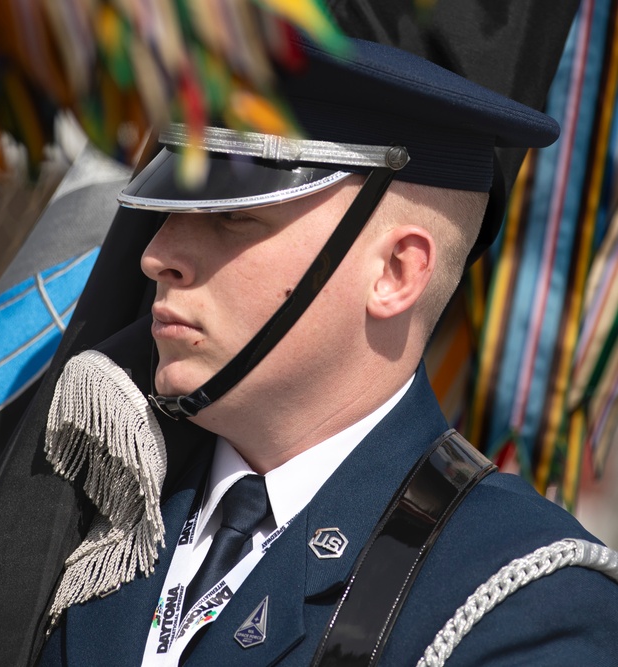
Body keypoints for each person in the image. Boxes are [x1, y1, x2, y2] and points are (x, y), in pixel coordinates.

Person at [34, 36, 618, 666]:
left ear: (395, 272)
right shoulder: (84, 486)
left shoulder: (525, 607)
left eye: (233, 215)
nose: (156, 256)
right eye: (176, 205)